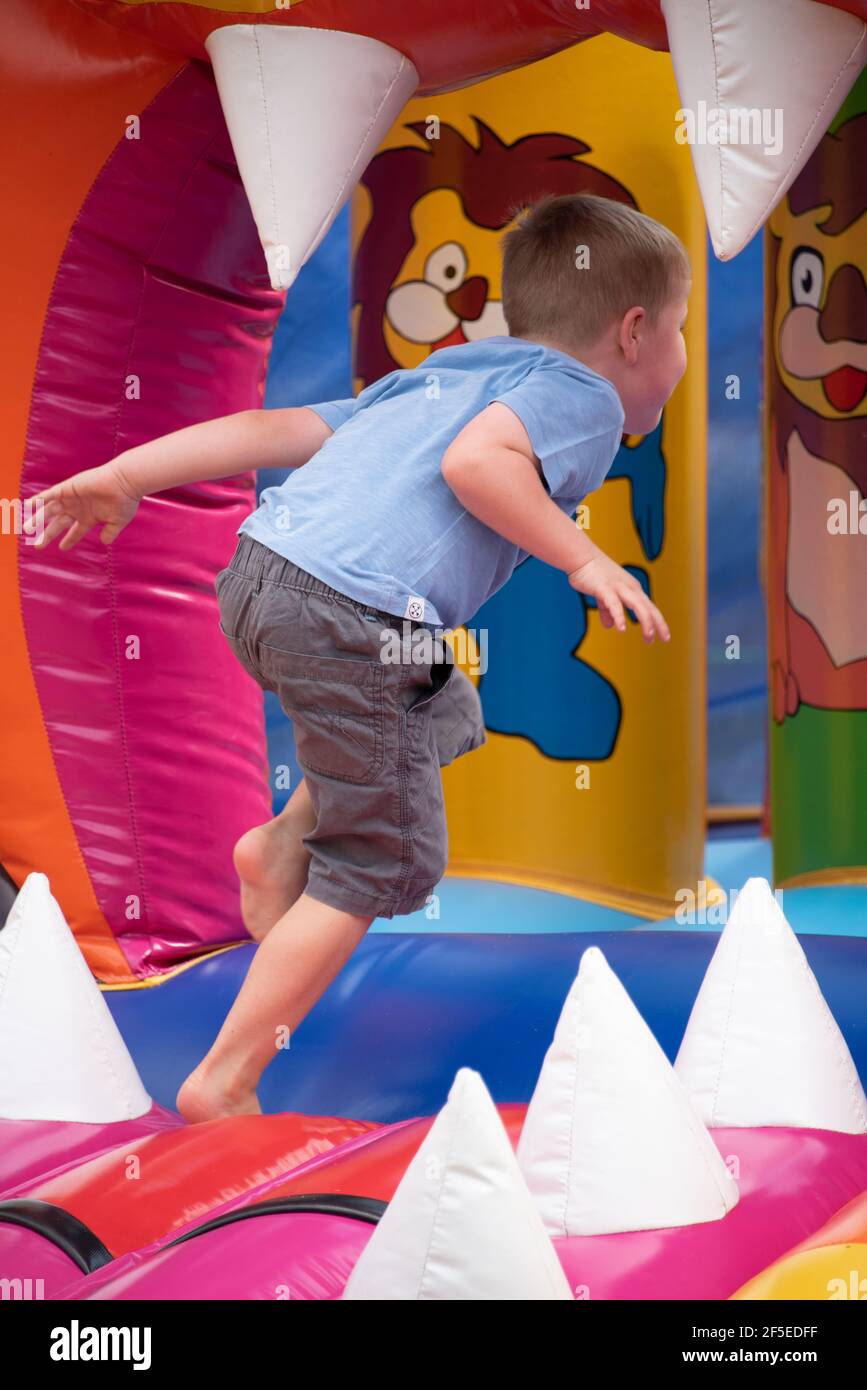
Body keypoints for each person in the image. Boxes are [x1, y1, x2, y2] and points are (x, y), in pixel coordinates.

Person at [27, 193, 687, 1123]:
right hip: (350, 615)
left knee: (440, 704)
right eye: (681, 330)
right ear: (632, 332)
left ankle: (282, 842)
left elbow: (272, 431)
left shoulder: (446, 371)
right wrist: (583, 558)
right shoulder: (581, 398)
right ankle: (224, 1079)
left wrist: (127, 474)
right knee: (388, 860)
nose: (682, 355)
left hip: (263, 578)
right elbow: (476, 466)